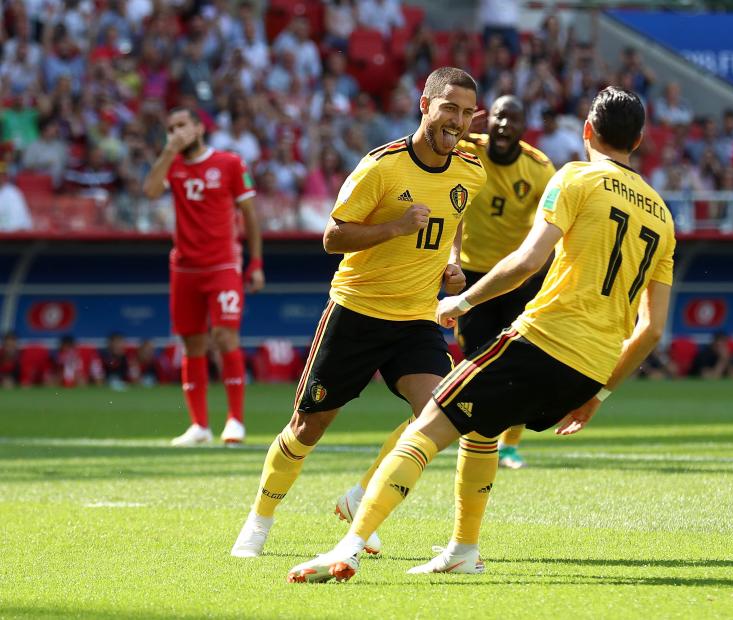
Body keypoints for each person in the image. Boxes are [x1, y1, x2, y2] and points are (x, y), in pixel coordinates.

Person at [287, 86, 675, 583]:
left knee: (428, 422)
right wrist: (598, 393)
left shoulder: (574, 177)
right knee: (483, 428)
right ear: (639, 140)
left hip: (543, 342)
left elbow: (528, 261)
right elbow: (652, 328)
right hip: (591, 371)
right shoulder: (662, 215)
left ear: (587, 132)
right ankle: (463, 549)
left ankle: (348, 548)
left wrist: (462, 301)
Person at [230, 67, 486, 560]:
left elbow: (455, 217)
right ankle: (259, 520)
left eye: (468, 112)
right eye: (450, 108)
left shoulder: (470, 168)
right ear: (425, 105)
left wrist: (453, 263)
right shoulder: (380, 166)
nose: (458, 120)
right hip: (357, 312)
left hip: (415, 318)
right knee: (308, 428)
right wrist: (393, 227)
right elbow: (333, 237)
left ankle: (359, 500)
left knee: (439, 412)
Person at [143, 107, 265, 446]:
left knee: (226, 337)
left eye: (182, 125)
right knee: (192, 343)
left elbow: (250, 215)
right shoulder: (173, 164)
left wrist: (255, 263)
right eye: (170, 127)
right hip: (184, 268)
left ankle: (235, 421)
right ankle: (199, 426)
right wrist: (168, 151)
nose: (176, 131)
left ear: (198, 128)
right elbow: (151, 191)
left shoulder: (229, 163)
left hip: (223, 265)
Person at [456, 95, 557, 469]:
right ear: (489, 118)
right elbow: (424, 143)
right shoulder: (468, 148)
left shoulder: (539, 168)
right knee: (475, 361)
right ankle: (476, 436)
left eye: (513, 119)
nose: (504, 125)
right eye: (499, 116)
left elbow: (550, 225)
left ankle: (509, 446)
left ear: (523, 125)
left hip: (518, 278)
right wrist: (461, 130)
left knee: (520, 362)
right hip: (472, 275)